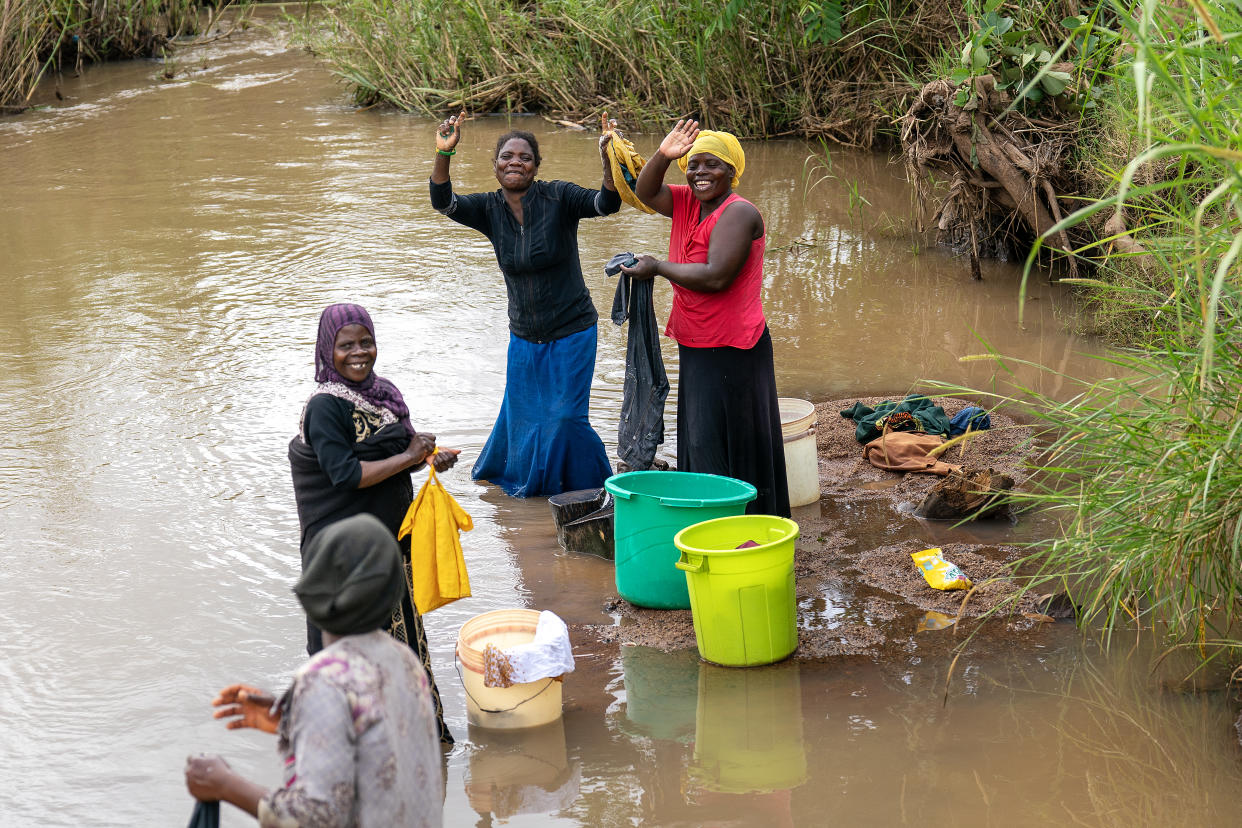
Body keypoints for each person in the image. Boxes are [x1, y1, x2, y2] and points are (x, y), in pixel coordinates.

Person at [185, 514, 444, 827]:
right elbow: (380, 746)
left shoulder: (322, 680)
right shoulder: (404, 659)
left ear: (315, 589)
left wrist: (223, 783)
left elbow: (313, 817)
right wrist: (291, 718)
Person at [288, 303, 458, 742]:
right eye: (346, 345)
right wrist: (407, 455)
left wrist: (426, 460)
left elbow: (396, 462)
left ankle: (417, 748)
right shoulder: (325, 406)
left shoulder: (383, 395)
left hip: (389, 548)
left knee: (404, 650)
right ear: (328, 349)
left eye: (366, 342)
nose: (359, 353)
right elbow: (345, 475)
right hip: (346, 558)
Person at [429, 111, 621, 497]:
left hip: (572, 330)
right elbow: (443, 202)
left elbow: (606, 204)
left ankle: (599, 485)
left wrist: (608, 158)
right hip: (524, 337)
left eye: (524, 157)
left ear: (536, 167)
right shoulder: (488, 209)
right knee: (526, 419)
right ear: (495, 166)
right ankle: (529, 488)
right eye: (506, 157)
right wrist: (443, 153)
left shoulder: (560, 197)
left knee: (566, 418)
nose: (515, 162)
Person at [620, 120, 791, 517]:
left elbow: (716, 276)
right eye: (693, 165)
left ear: (732, 171)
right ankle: (710, 517)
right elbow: (643, 192)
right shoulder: (686, 202)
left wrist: (658, 266)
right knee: (701, 436)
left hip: (734, 345)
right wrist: (663, 155)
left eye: (711, 164)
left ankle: (752, 520)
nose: (699, 173)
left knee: (737, 437)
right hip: (696, 339)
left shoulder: (739, 213)